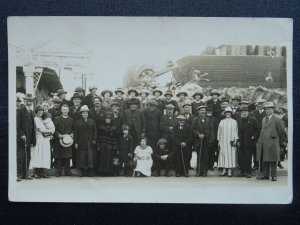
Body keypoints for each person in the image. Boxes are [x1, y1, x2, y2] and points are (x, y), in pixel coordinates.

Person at [256, 102, 287, 182]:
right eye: (266, 109)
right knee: (265, 159)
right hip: (265, 142)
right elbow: (263, 130)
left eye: (269, 109)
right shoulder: (263, 119)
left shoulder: (277, 119)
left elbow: (281, 131)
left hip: (273, 141)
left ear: (272, 109)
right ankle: (266, 175)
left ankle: (274, 176)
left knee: (273, 160)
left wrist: (278, 140)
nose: (267, 110)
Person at [30, 105, 55, 179]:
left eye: (41, 110)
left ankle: (42, 172)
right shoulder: (36, 119)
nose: (40, 112)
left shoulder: (42, 119)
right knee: (38, 155)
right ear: (36, 112)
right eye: (39, 110)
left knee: (44, 156)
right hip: (39, 139)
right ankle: (35, 173)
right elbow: (41, 130)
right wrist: (51, 131)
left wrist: (50, 131)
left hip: (45, 140)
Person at [17, 93, 36, 180]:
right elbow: (17, 125)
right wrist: (21, 135)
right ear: (24, 101)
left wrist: (32, 139)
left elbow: (32, 125)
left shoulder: (31, 111)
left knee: (28, 156)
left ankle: (25, 174)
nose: (29, 103)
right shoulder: (20, 110)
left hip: (29, 138)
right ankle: (19, 174)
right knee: (21, 156)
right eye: (27, 101)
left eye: (30, 101)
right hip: (22, 138)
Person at [236, 107, 259, 178]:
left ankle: (249, 172)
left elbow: (258, 129)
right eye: (243, 112)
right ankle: (242, 172)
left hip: (249, 141)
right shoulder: (239, 120)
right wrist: (238, 140)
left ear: (248, 113)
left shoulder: (253, 120)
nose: (244, 113)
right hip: (241, 141)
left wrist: (253, 136)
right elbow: (237, 131)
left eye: (246, 112)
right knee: (241, 157)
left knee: (248, 157)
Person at [74, 105, 97, 177]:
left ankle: (90, 171)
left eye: (86, 113)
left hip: (90, 142)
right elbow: (75, 133)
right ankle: (82, 171)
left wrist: (94, 139)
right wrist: (76, 143)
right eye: (83, 113)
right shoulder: (78, 122)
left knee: (90, 156)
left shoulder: (92, 121)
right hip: (81, 142)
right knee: (82, 156)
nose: (85, 114)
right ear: (81, 114)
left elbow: (95, 131)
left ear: (88, 114)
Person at [191, 105, 215, 177]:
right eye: (201, 110)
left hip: (206, 141)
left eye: (204, 111)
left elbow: (211, 130)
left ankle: (205, 171)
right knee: (199, 156)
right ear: (199, 111)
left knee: (205, 156)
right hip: (198, 141)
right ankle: (198, 171)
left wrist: (208, 137)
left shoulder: (209, 120)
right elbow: (193, 129)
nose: (203, 112)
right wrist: (198, 135)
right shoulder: (195, 120)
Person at [53, 104, 75, 177]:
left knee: (67, 156)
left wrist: (72, 134)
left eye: (66, 110)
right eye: (63, 110)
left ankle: (67, 171)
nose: (65, 111)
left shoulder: (71, 119)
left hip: (68, 140)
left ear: (68, 110)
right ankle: (58, 172)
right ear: (61, 110)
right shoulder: (57, 119)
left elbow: (73, 129)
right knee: (59, 156)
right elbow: (54, 129)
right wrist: (58, 135)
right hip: (59, 140)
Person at [217, 107, 239, 177]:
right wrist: (218, 141)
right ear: (225, 114)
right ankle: (224, 170)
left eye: (229, 113)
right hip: (223, 141)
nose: (228, 114)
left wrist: (235, 140)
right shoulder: (221, 121)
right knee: (223, 154)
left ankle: (229, 170)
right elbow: (219, 132)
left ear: (231, 114)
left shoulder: (234, 121)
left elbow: (236, 131)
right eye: (226, 113)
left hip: (231, 141)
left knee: (230, 155)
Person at [251, 99, 266, 170]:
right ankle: (256, 164)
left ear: (264, 105)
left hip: (265, 134)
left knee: (263, 150)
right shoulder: (253, 112)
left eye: (262, 104)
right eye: (259, 104)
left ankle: (263, 166)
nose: (260, 105)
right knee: (255, 150)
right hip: (256, 134)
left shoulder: (267, 113)